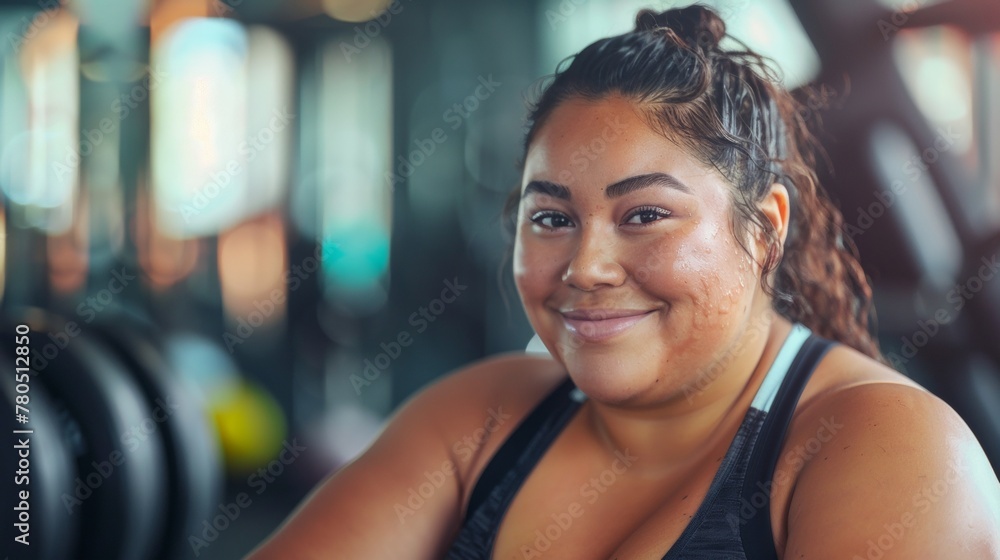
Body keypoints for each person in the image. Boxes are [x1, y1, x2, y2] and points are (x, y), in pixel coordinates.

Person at [246, 5, 1000, 559]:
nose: (586, 268)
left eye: (643, 214)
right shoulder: (480, 421)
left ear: (765, 229)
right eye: (550, 219)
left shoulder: (890, 448)